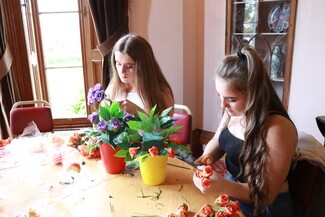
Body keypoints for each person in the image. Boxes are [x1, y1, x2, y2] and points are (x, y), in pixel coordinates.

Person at [193, 45, 297, 217]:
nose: (223, 105)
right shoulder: (234, 112)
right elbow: (218, 141)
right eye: (220, 96)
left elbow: (266, 195)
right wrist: (201, 163)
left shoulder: (278, 128)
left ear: (254, 94)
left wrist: (223, 185)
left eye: (231, 99)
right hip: (232, 193)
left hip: (266, 209)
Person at [105, 33, 174, 115]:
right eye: (118, 64)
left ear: (143, 66)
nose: (122, 71)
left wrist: (138, 113)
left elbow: (166, 127)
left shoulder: (161, 94)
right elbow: (100, 124)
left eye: (129, 66)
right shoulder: (112, 90)